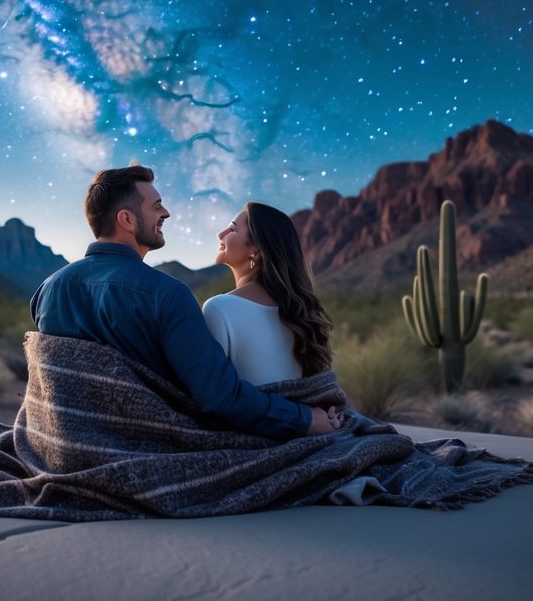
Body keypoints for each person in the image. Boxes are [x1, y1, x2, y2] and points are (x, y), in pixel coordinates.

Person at [30, 165, 337, 438]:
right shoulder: (166, 294)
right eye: (157, 206)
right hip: (143, 449)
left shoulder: (46, 291)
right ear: (126, 219)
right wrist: (304, 419)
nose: (166, 214)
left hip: (59, 441)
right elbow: (218, 396)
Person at [203, 202, 335, 388]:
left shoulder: (219, 308)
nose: (220, 234)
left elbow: (215, 393)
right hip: (299, 416)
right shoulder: (298, 312)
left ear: (255, 251)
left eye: (232, 229)